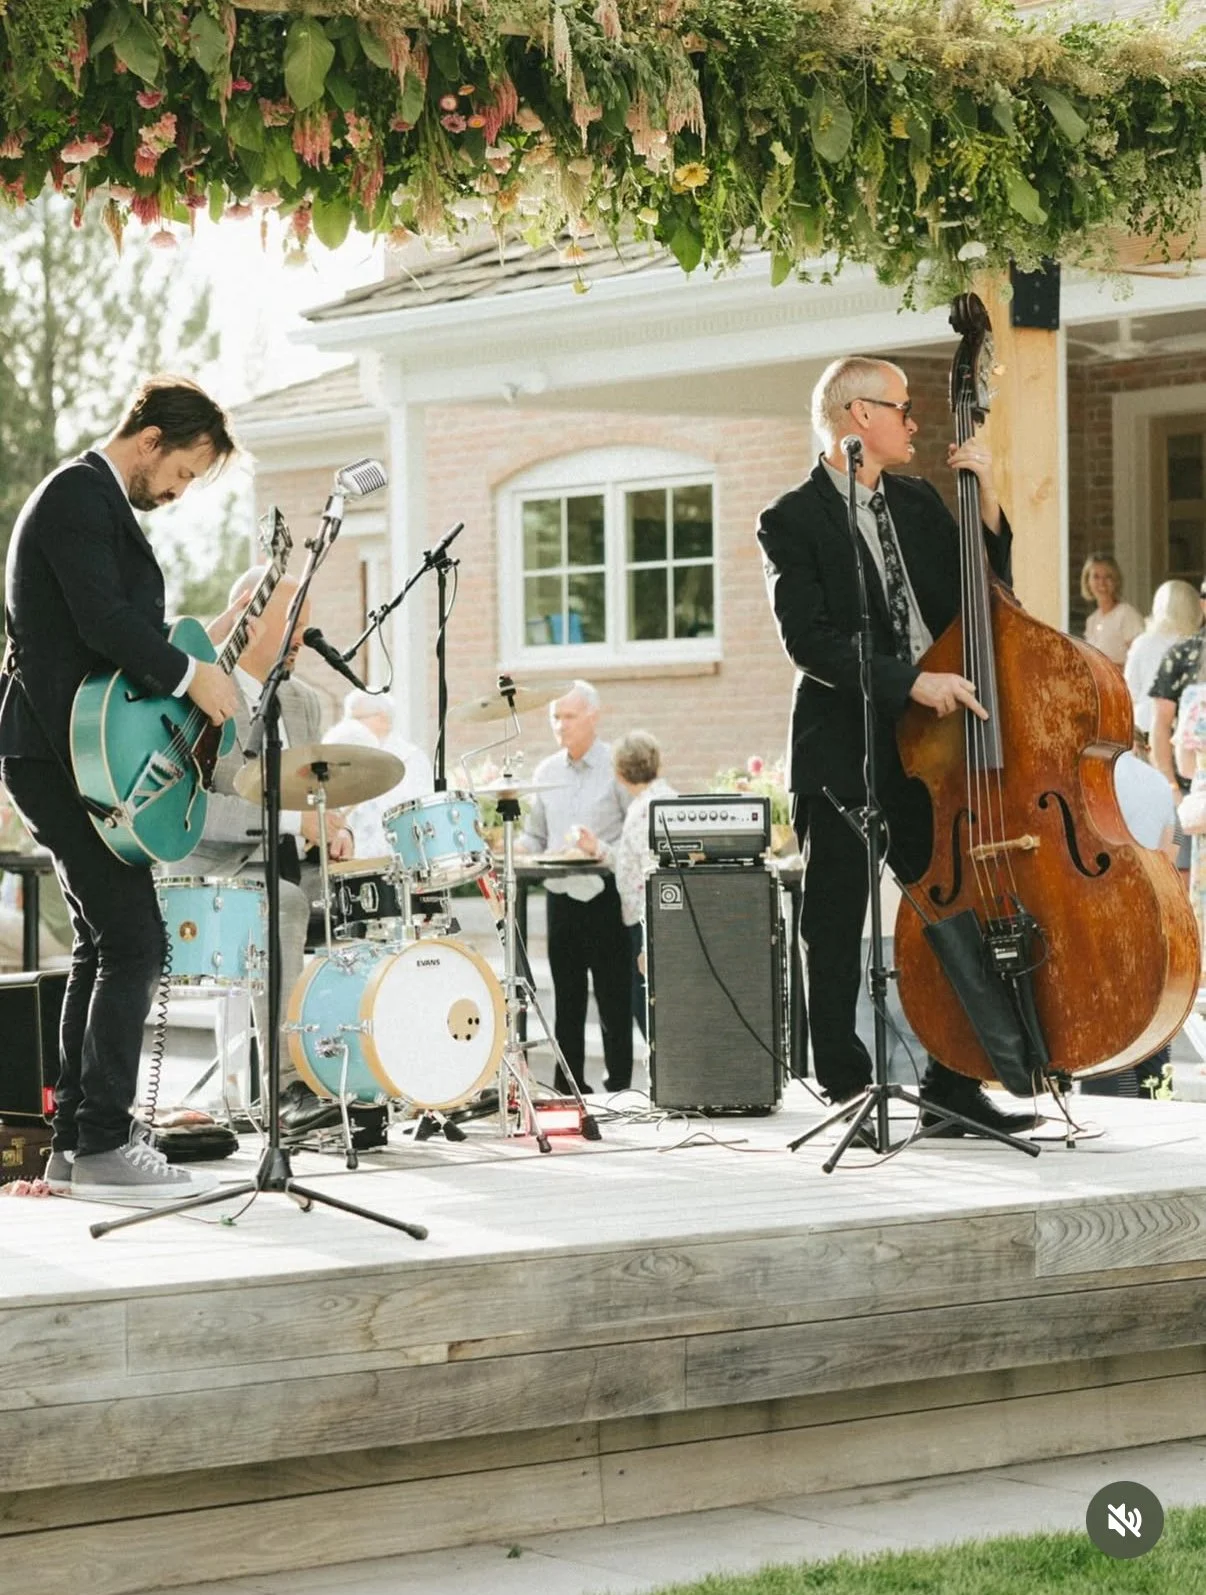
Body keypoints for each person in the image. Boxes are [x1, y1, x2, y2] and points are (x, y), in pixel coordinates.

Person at [756, 355, 1038, 1136]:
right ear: (858, 417)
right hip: (845, 745)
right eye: (902, 408)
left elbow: (983, 600)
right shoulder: (790, 518)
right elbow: (808, 640)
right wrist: (907, 681)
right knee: (835, 921)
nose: (916, 422)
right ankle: (847, 1091)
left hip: (931, 749)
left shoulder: (917, 502)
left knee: (957, 907)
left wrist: (985, 511)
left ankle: (954, 1084)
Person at [0, 374, 241, 1199]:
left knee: (109, 941)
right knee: (136, 939)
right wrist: (191, 675)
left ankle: (75, 1143)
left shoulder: (94, 501)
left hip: (72, 756)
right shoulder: (76, 495)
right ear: (150, 441)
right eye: (182, 471)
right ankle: (102, 1142)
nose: (177, 492)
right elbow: (105, 621)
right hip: (54, 755)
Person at [176, 569, 356, 1137]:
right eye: (293, 624)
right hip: (208, 871)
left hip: (284, 865)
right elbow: (194, 807)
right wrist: (292, 819)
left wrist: (329, 826)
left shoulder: (304, 703)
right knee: (283, 905)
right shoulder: (203, 694)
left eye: (305, 624)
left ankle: (352, 1075)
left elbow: (308, 794)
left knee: (369, 903)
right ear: (249, 622)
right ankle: (283, 1088)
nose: (303, 636)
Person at [518, 681, 632, 1093]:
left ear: (593, 716)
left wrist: (598, 848)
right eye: (555, 718)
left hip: (606, 894)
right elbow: (535, 834)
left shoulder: (616, 764)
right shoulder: (546, 772)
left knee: (613, 995)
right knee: (566, 998)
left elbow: (634, 834)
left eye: (569, 716)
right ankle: (569, 1086)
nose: (560, 726)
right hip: (560, 895)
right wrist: (519, 846)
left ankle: (620, 1085)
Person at [576, 731, 675, 1046]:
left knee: (645, 1005)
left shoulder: (643, 811)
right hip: (656, 919)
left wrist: (649, 943)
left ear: (618, 774)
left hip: (648, 922)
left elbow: (652, 873)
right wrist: (599, 848)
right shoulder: (666, 799)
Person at [323, 688, 435, 857]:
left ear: (383, 719)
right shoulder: (347, 756)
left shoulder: (411, 758)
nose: (349, 725)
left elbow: (420, 814)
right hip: (353, 859)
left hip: (402, 858)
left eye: (356, 719)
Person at [1124, 579, 1201, 742]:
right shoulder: (1196, 647)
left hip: (1144, 729)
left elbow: (1130, 692)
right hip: (1183, 733)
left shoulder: (1142, 643)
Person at [1081, 552, 1143, 667]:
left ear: (1116, 581)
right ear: (1087, 582)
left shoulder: (1126, 614)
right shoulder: (1092, 620)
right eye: (1096, 577)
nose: (1102, 583)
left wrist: (1107, 670)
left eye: (1108, 577)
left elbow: (1140, 662)